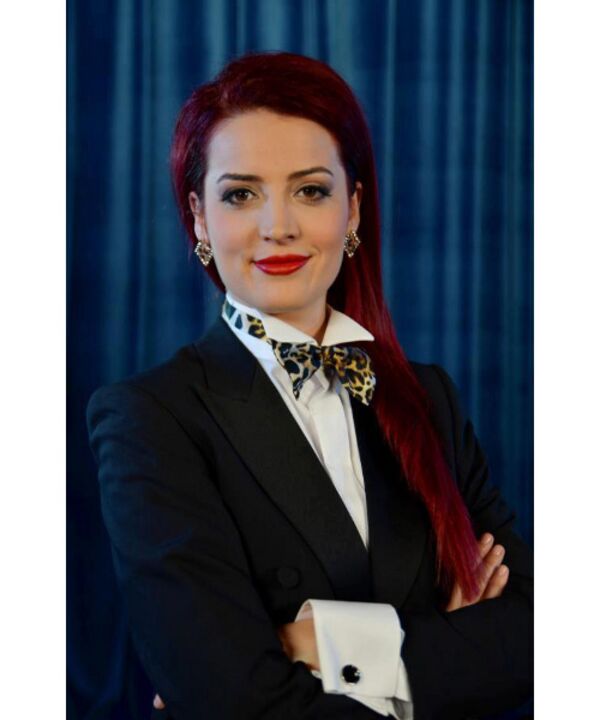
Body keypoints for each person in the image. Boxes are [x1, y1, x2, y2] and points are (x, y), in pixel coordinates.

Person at [87, 51, 533, 720]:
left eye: (311, 190)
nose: (278, 226)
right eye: (241, 194)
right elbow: (236, 703)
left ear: (353, 209)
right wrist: (448, 643)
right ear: (200, 217)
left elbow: (538, 637)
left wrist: (324, 641)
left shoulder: (428, 397)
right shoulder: (148, 419)